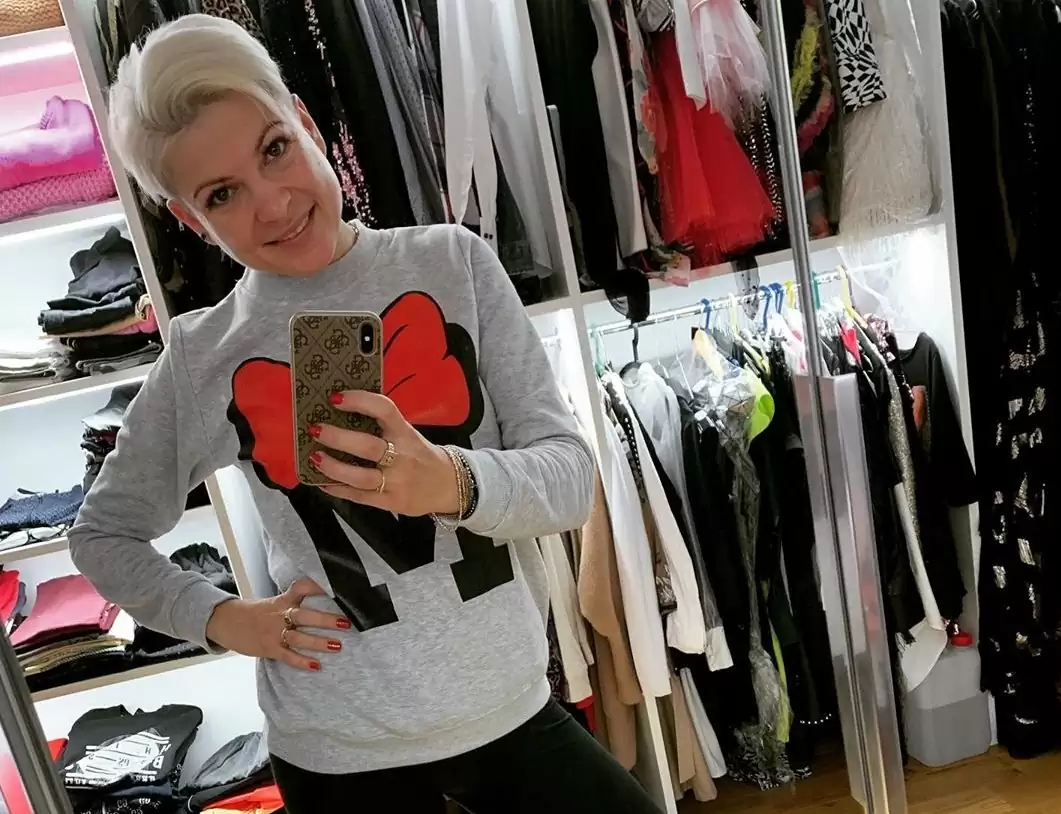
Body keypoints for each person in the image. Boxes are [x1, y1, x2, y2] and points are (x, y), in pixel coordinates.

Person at [68, 13, 662, 814]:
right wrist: (221, 618)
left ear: (308, 124)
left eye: (274, 149)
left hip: (512, 713)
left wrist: (450, 482)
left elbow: (568, 480)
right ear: (190, 220)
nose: (273, 203)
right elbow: (103, 535)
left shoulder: (454, 263)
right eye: (222, 194)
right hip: (336, 752)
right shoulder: (205, 353)